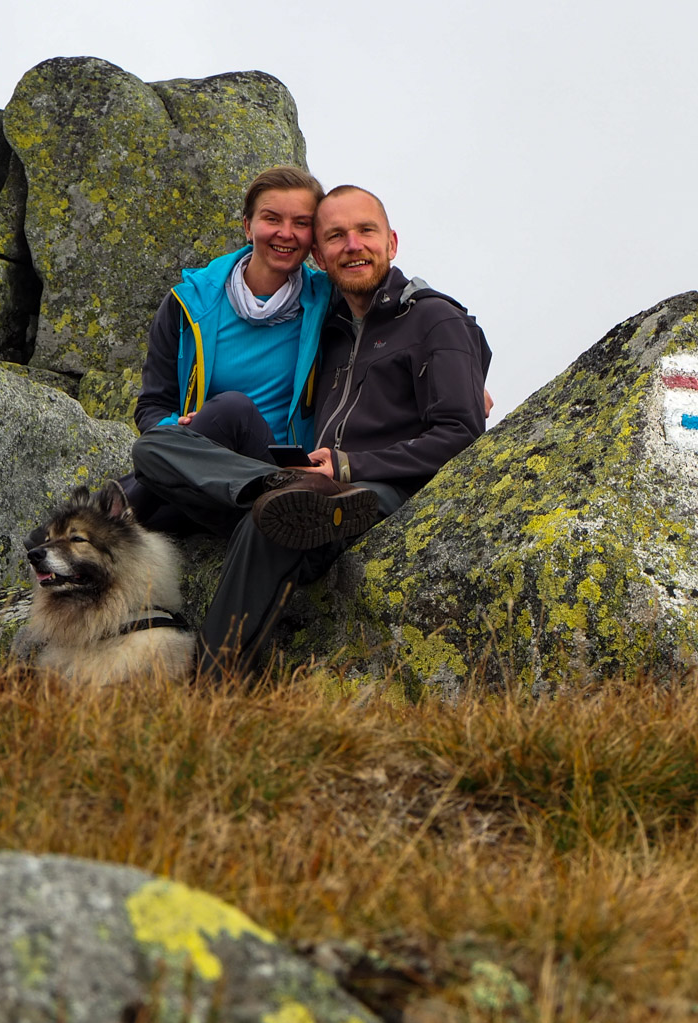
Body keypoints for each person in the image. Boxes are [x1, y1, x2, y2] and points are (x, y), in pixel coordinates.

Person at [130, 183, 491, 676]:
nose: (353, 245)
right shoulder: (332, 320)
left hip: (374, 488)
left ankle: (209, 686)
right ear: (319, 256)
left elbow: (460, 431)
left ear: (393, 242)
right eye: (337, 236)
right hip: (306, 476)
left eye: (366, 231)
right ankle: (261, 486)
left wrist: (351, 463)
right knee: (157, 446)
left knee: (274, 522)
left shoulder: (433, 320)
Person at [124, 166, 332, 529]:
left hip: (283, 470)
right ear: (248, 226)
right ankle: (73, 535)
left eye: (301, 222)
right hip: (205, 473)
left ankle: (87, 525)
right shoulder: (188, 304)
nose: (286, 233)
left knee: (233, 409)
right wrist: (181, 427)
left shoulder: (328, 305)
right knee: (148, 485)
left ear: (314, 236)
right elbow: (153, 404)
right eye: (272, 219)